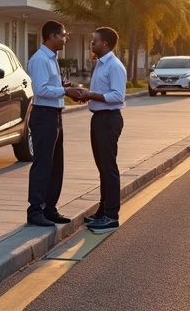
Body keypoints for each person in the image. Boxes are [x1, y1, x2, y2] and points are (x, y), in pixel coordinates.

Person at [25, 20, 86, 227]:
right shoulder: (40, 60)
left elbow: (53, 86)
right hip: (43, 116)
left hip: (55, 115)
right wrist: (65, 91)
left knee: (55, 165)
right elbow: (41, 90)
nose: (65, 38)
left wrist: (66, 89)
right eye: (62, 35)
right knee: (42, 164)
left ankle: (49, 208)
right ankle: (35, 210)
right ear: (51, 36)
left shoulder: (52, 58)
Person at [74, 27, 126, 234]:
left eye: (94, 41)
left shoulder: (114, 66)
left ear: (104, 43)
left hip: (109, 119)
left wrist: (91, 95)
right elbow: (102, 93)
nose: (91, 44)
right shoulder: (100, 64)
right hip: (99, 118)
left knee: (109, 168)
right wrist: (86, 95)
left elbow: (117, 96)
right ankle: (103, 210)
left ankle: (111, 216)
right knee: (102, 168)